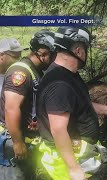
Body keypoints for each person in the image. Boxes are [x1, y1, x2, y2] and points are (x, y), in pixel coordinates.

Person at [36, 26, 107, 180]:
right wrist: (73, 168)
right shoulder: (59, 84)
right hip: (67, 164)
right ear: (78, 51)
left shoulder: (70, 75)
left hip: (79, 154)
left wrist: (105, 109)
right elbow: (58, 129)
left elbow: (78, 103)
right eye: (85, 49)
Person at [0, 30, 55, 179]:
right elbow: (11, 108)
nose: (55, 60)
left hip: (27, 138)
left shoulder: (35, 71)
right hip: (13, 140)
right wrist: (17, 143)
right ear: (42, 54)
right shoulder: (20, 73)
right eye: (53, 55)